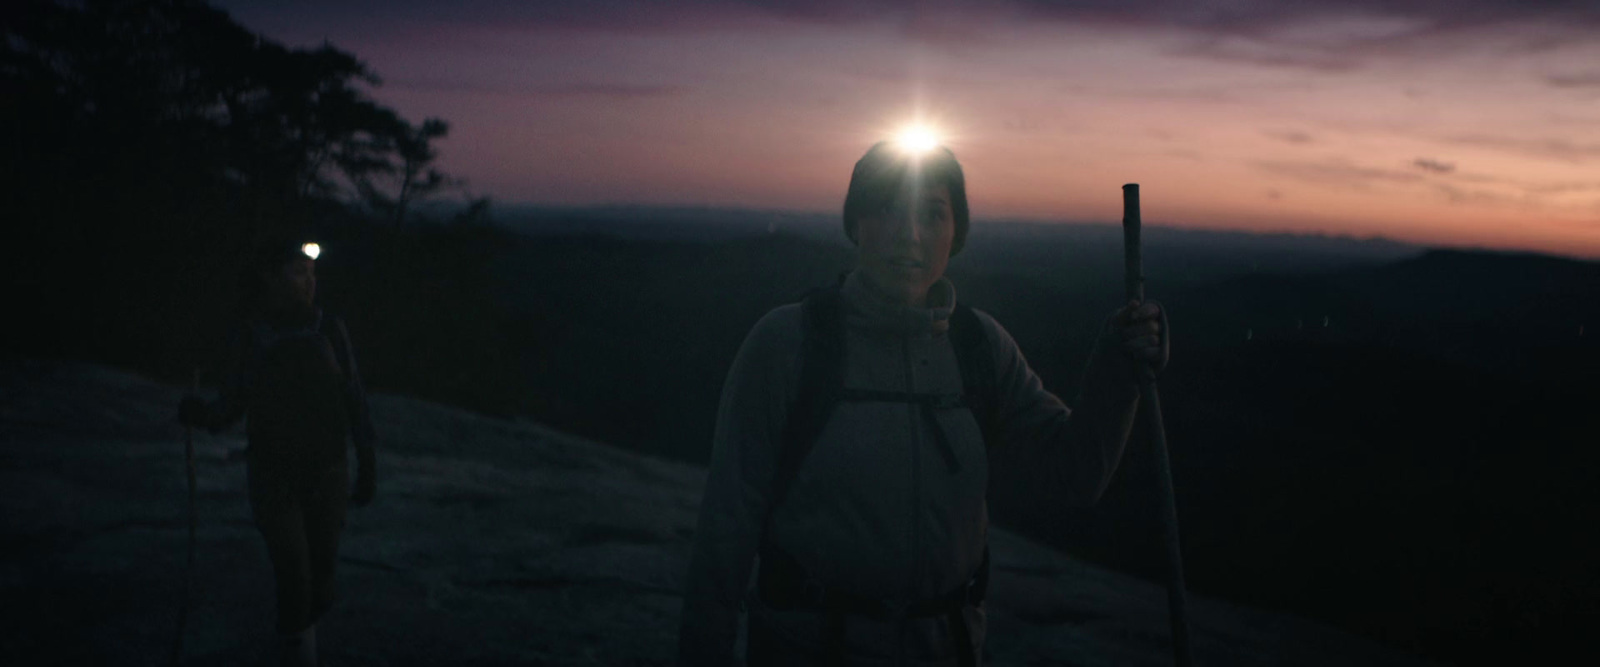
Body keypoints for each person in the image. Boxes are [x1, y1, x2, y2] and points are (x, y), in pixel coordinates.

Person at [677, 141, 1165, 666]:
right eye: (887, 208)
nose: (909, 235)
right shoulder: (789, 344)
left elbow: (1075, 474)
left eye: (933, 214)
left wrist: (1118, 370)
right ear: (855, 223)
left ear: (956, 234)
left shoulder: (979, 348)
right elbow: (727, 528)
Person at [179, 239, 377, 667]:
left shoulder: (329, 329)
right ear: (270, 277)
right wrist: (201, 414)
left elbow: (354, 396)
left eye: (311, 273)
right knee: (294, 579)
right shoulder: (254, 335)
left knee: (321, 584)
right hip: (274, 475)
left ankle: (299, 647)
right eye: (297, 272)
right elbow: (233, 403)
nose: (309, 282)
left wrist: (367, 461)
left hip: (328, 473)